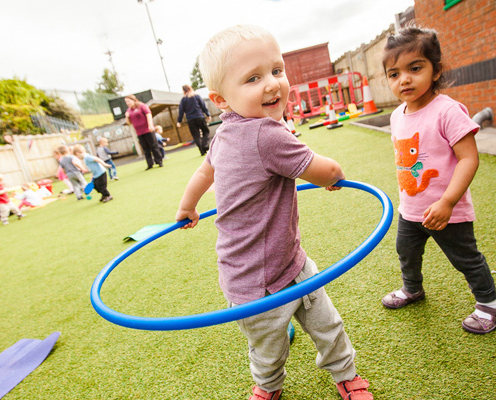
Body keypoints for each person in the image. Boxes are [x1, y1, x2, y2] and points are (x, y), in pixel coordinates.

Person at [175, 25, 373, 400]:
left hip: (284, 267)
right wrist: (333, 174)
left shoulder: (225, 134)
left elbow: (204, 172)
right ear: (221, 99)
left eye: (276, 71)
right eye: (253, 78)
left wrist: (188, 205)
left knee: (312, 329)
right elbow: (327, 172)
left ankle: (285, 384)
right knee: (287, 340)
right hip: (257, 285)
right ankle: (285, 383)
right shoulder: (268, 135)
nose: (272, 84)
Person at [381, 26, 496, 334]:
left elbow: (469, 158)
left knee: (466, 258)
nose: (404, 79)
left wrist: (448, 201)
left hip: (447, 211)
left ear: (436, 70)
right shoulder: (397, 116)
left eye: (415, 68)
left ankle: (491, 304)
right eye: (394, 74)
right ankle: (412, 289)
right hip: (411, 209)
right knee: (406, 252)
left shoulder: (447, 111)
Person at [124, 94, 163, 170]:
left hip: (148, 130)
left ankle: (159, 161)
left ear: (133, 100)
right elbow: (129, 123)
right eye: (126, 102)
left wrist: (150, 125)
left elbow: (148, 114)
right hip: (139, 132)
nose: (127, 103)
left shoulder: (142, 106)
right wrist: (127, 116)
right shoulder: (128, 111)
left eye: (128, 101)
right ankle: (149, 164)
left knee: (153, 146)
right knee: (145, 149)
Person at [176, 84, 212, 155]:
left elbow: (181, 111)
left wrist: (179, 121)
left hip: (190, 120)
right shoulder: (196, 96)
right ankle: (205, 146)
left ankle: (202, 151)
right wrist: (208, 114)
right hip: (199, 116)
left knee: (196, 135)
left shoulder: (183, 99)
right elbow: (203, 105)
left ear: (184, 91)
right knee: (206, 131)